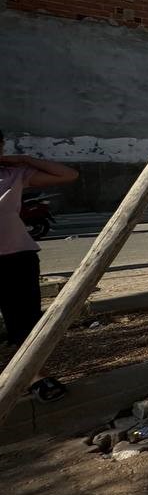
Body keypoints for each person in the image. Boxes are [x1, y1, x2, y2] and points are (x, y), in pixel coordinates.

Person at [0, 131, 77, 403]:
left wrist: (24, 159)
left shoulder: (13, 175)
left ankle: (34, 376)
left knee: (25, 322)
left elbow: (68, 175)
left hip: (18, 257)